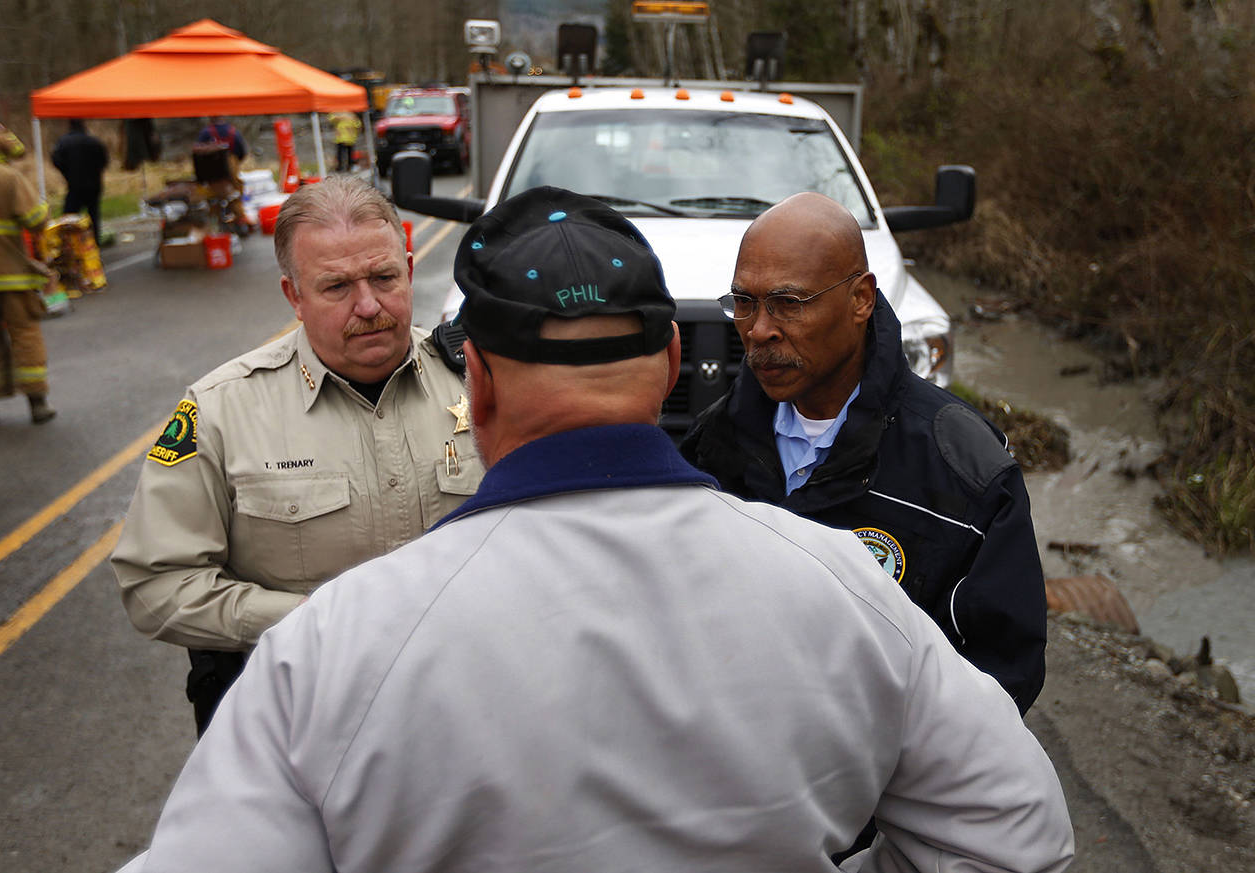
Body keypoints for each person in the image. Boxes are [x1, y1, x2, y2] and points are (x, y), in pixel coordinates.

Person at [120, 187, 1073, 873]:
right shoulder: (844, 585)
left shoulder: (331, 649)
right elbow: (1017, 826)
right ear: (671, 360)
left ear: (475, 384)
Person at [111, 175, 484, 735]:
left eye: (384, 278)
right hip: (304, 721)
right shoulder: (221, 411)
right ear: (294, 296)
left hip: (465, 703)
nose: (368, 306)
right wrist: (311, 622)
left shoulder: (483, 385)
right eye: (336, 287)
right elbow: (155, 585)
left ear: (409, 269)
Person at [681, 192, 1048, 715]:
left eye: (788, 303)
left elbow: (1003, 676)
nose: (759, 330)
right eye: (744, 302)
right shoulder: (711, 448)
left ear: (861, 300)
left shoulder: (964, 472)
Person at [0, 123, 54, 425]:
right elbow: (35, 220)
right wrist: (43, 207)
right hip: (10, 275)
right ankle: (37, 403)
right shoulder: (6, 176)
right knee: (24, 334)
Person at [51, 120, 109, 243]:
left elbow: (56, 160)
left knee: (69, 216)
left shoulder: (64, 142)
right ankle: (95, 242)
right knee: (93, 215)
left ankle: (69, 243)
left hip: (74, 185)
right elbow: (104, 161)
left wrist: (66, 173)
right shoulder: (94, 141)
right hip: (94, 185)